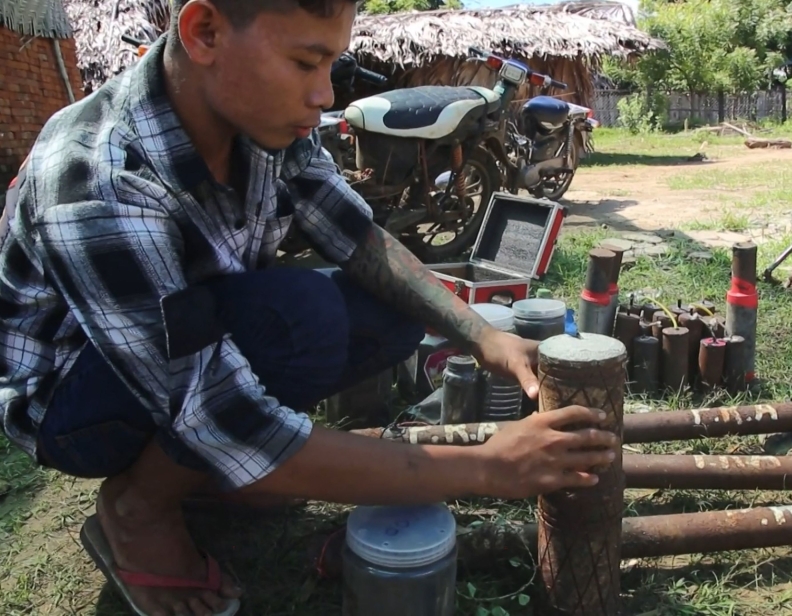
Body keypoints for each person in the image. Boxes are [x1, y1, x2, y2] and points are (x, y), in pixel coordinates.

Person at [0, 1, 619, 615]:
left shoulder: (263, 124)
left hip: (187, 350)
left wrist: (484, 336)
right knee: (297, 318)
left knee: (389, 313)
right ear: (205, 32)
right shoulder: (99, 174)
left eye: (331, 65)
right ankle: (138, 508)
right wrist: (487, 468)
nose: (324, 94)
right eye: (305, 62)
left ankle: (209, 479)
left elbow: (360, 238)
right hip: (74, 403)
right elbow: (223, 415)